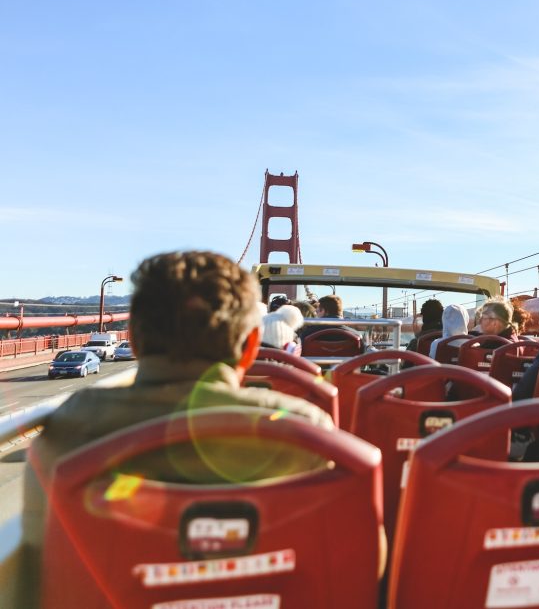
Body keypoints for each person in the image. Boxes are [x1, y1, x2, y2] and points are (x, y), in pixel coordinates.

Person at [6, 251, 336, 607]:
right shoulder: (308, 433)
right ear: (251, 346)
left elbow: (41, 574)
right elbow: (359, 559)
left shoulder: (65, 432)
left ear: (132, 338)